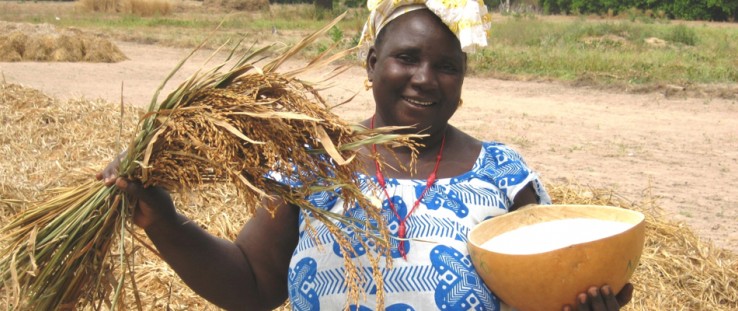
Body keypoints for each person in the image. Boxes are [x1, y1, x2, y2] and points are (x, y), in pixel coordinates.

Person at [98, 0, 633, 310]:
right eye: (406, 58)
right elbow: (252, 283)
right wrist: (164, 222)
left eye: (446, 66)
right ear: (372, 62)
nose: (425, 79)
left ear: (463, 81)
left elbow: (541, 294)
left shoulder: (505, 177)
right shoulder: (312, 162)